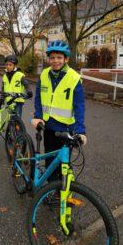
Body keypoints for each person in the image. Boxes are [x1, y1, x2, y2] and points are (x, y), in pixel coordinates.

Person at [31, 40, 87, 182]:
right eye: (52, 57)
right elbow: (38, 98)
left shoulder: (74, 78)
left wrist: (80, 131)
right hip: (48, 126)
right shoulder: (44, 74)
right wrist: (38, 116)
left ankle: (63, 192)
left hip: (66, 129)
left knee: (64, 163)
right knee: (50, 159)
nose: (55, 61)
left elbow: (79, 106)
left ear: (66, 59)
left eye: (59, 57)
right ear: (49, 59)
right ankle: (49, 190)